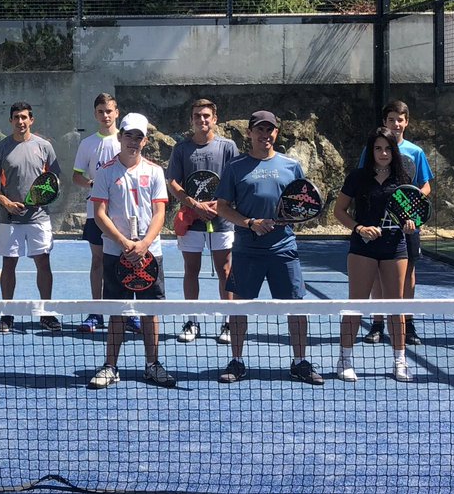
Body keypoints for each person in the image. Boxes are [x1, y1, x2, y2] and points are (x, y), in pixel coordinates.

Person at [215, 110, 323, 385]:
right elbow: (223, 207)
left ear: (276, 132)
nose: (265, 134)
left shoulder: (291, 166)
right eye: (260, 130)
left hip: (283, 249)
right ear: (250, 133)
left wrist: (290, 219)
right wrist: (250, 222)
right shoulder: (235, 167)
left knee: (296, 307)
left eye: (270, 130)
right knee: (239, 308)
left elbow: (303, 204)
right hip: (246, 250)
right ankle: (237, 361)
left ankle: (299, 362)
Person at [86, 113, 176, 389]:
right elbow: (100, 213)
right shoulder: (105, 172)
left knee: (150, 310)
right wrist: (125, 243)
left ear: (145, 140)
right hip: (117, 253)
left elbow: (160, 212)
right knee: (117, 310)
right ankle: (110, 366)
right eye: (129, 136)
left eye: (139, 137)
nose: (133, 142)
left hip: (150, 253)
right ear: (120, 137)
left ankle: (152, 364)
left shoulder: (155, 172)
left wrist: (144, 244)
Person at [332, 128, 416, 382]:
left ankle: (400, 362)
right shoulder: (357, 177)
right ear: (371, 151)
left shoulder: (403, 178)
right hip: (362, 249)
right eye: (378, 148)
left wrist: (409, 224)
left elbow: (408, 214)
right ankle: (344, 360)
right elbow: (339, 211)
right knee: (356, 305)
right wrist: (359, 228)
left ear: (394, 151)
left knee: (395, 306)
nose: (383, 153)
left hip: (395, 248)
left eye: (388, 148)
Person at [165, 98, 239, 343]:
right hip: (191, 221)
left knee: (225, 271)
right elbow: (174, 183)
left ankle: (227, 322)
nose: (202, 120)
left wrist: (219, 206)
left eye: (206, 115)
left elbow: (236, 180)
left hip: (222, 222)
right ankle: (192, 321)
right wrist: (195, 205)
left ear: (215, 119)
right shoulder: (182, 149)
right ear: (191, 120)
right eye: (197, 116)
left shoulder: (228, 147)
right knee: (191, 270)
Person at [360, 101, 433, 345]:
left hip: (408, 225)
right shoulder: (372, 149)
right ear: (385, 122)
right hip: (379, 226)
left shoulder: (416, 152)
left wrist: (409, 207)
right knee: (379, 276)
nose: (396, 124)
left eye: (400, 120)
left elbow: (425, 185)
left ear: (407, 122)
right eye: (391, 120)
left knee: (408, 274)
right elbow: (364, 180)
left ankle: (407, 324)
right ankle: (378, 324)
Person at [0, 101, 62, 333]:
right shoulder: (0, 149)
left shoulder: (45, 147)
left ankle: (45, 312)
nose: (20, 121)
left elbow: (54, 180)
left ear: (31, 120)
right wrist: (5, 202)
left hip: (39, 218)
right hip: (10, 219)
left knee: (43, 263)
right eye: (16, 117)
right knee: (9, 265)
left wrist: (42, 199)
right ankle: (7, 314)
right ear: (10, 121)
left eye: (24, 117)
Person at [72, 93, 121, 333]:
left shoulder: (127, 141)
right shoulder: (88, 143)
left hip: (123, 215)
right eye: (101, 111)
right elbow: (76, 176)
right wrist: (92, 185)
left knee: (125, 261)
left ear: (116, 112)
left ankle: (125, 312)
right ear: (95, 114)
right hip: (96, 213)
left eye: (109, 111)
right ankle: (97, 311)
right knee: (98, 260)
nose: (105, 115)